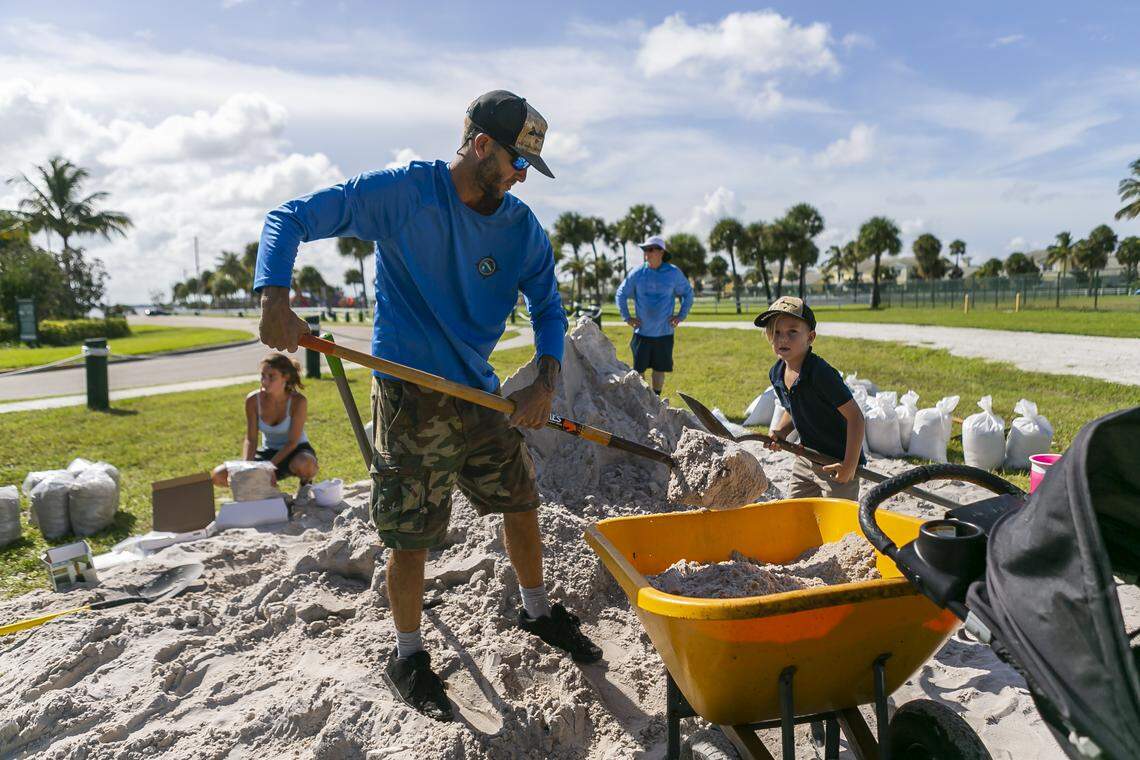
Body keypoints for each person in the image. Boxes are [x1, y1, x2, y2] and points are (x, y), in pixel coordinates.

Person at [252, 90, 601, 722]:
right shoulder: (406, 194)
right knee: (410, 535)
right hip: (412, 397)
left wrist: (545, 380)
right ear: (479, 146)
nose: (521, 177)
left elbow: (549, 308)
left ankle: (537, 611)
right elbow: (290, 216)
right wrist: (274, 292)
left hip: (479, 394)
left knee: (520, 502)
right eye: (515, 162)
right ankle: (408, 654)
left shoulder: (520, 227)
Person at [756, 297, 865, 500]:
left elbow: (856, 418)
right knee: (796, 511)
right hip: (806, 457)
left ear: (811, 337)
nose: (782, 339)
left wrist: (849, 465)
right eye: (776, 332)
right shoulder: (777, 373)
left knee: (840, 519)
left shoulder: (820, 374)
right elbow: (794, 407)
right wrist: (781, 431)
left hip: (836, 461)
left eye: (792, 332)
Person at [210, 353, 319, 488]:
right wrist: (247, 467)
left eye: (271, 377)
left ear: (285, 377)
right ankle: (268, 494)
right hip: (268, 452)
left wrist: (268, 468)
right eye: (263, 375)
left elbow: (292, 442)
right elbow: (251, 439)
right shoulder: (253, 400)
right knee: (218, 475)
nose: (264, 381)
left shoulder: (298, 401)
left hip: (296, 452)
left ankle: (306, 487)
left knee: (305, 463)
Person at [614, 235, 694, 395]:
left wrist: (680, 316)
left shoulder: (673, 273)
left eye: (650, 249)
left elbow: (688, 293)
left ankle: (656, 400)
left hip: (664, 333)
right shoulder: (637, 273)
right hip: (641, 333)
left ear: (661, 252)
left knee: (659, 369)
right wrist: (627, 317)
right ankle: (644, 401)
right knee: (639, 370)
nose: (646, 253)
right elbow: (620, 294)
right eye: (645, 249)